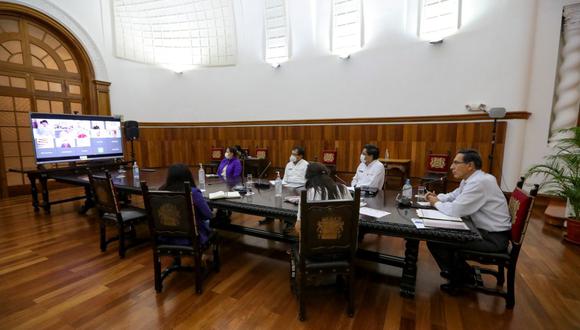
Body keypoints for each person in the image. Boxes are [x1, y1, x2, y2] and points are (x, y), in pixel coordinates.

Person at [425, 149, 511, 292]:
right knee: (439, 237)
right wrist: (437, 198)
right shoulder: (472, 180)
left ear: (470, 165)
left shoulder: (480, 182)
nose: (451, 167)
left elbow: (456, 210)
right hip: (484, 231)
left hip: (492, 239)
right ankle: (460, 273)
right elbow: (454, 196)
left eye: (456, 163)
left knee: (436, 239)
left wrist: (435, 203)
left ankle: (463, 279)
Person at [160, 163, 213, 245]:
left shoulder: (161, 191)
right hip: (190, 237)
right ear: (188, 176)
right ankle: (207, 255)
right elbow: (208, 215)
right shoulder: (193, 192)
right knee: (206, 221)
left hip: (166, 235)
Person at [295, 162, 352, 230]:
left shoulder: (308, 193)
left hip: (316, 236)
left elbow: (299, 227)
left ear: (308, 177)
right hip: (341, 235)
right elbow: (351, 214)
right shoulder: (343, 188)